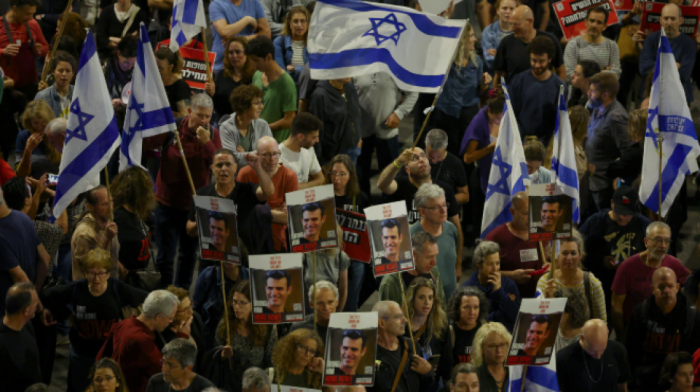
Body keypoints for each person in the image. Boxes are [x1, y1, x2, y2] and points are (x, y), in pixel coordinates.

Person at [143, 93, 222, 288]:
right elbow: (147, 143)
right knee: (165, 257)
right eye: (200, 115)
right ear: (189, 111)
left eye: (207, 117)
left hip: (193, 207)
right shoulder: (173, 129)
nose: (204, 121)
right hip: (166, 203)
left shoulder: (212, 134)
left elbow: (220, 165)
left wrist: (206, 143)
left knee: (188, 257)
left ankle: (181, 298)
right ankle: (163, 295)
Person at [42, 248, 147, 392]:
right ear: (85, 272)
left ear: (108, 273)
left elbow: (147, 297)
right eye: (92, 273)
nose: (96, 279)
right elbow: (48, 295)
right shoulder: (77, 289)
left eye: (101, 273)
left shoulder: (116, 288)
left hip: (108, 356)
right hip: (81, 355)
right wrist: (63, 314)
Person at [377, 147, 462, 261]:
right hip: (405, 255)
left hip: (435, 255)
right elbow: (382, 185)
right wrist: (398, 162)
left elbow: (456, 229)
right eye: (414, 158)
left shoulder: (444, 190)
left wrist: (458, 262)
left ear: (430, 164)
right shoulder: (401, 184)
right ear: (407, 170)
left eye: (423, 156)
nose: (421, 160)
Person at [186, 148, 274, 256]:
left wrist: (258, 168)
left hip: (241, 258)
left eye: (228, 164)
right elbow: (190, 231)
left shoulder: (247, 190)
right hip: (212, 259)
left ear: (236, 167)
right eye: (219, 165)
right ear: (212, 168)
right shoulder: (201, 194)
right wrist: (197, 224)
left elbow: (268, 192)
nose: (224, 169)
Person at [611, 221, 690, 341]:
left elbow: (692, 281)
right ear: (646, 242)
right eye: (658, 240)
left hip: (664, 332)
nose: (663, 245)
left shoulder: (673, 264)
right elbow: (616, 305)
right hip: (634, 330)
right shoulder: (627, 267)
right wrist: (621, 335)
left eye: (667, 241)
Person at [580, 185, 652, 314]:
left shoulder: (644, 225)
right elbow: (581, 255)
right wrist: (602, 261)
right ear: (612, 203)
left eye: (627, 214)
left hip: (633, 285)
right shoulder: (596, 222)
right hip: (604, 284)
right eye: (620, 212)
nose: (623, 217)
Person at [626, 268, 700, 392]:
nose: (666, 291)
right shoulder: (641, 312)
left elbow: (696, 357)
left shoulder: (692, 316)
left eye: (670, 286)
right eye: (661, 287)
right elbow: (630, 350)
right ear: (652, 289)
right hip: (646, 382)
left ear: (677, 287)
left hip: (678, 383)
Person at [422, 24, 490, 156]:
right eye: (471, 36)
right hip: (446, 114)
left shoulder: (476, 61)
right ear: (461, 40)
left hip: (469, 116)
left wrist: (483, 85)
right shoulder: (445, 61)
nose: (475, 39)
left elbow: (479, 92)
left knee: (465, 154)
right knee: (446, 154)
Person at [96, 290, 182, 392]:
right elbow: (168, 373)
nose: (170, 322)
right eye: (170, 318)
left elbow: (100, 359)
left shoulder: (121, 325)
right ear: (158, 316)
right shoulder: (142, 341)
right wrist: (182, 336)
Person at [355, 70, 418, 196]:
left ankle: (390, 209)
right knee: (359, 176)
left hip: (387, 132)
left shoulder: (395, 66)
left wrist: (399, 113)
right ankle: (362, 209)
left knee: (391, 176)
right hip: (360, 131)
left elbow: (414, 92)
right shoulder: (359, 63)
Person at [237, 136, 298, 252]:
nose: (272, 159)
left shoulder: (290, 176)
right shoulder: (245, 173)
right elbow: (239, 213)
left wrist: (256, 211)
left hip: (277, 242)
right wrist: (275, 213)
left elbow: (290, 218)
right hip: (249, 241)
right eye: (266, 155)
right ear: (257, 155)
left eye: (276, 154)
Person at [326, 154, 370, 311]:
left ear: (350, 175)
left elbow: (367, 230)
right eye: (333, 173)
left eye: (342, 174)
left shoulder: (360, 198)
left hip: (353, 260)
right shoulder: (322, 197)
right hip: (327, 258)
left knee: (350, 304)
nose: (337, 178)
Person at [214, 280, 275, 391]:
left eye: (242, 303)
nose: (236, 307)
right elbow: (214, 358)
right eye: (234, 302)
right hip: (230, 384)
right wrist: (223, 356)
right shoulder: (225, 325)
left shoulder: (268, 327)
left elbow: (271, 361)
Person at [585, 72, 633, 213]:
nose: (588, 93)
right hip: (592, 182)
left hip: (604, 186)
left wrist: (618, 178)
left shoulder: (616, 117)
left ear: (605, 95)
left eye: (593, 91)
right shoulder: (596, 109)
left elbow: (628, 152)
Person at [537, 230, 607, 321]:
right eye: (564, 253)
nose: (569, 258)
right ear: (556, 255)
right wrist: (548, 298)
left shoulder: (592, 283)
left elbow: (601, 322)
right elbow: (538, 320)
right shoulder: (545, 281)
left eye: (573, 253)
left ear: (580, 255)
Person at [0, 188, 50, 316]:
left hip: (9, 311)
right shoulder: (24, 218)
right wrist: (35, 290)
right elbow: (45, 258)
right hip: (26, 306)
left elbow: (19, 277)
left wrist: (37, 306)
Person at [484, 192, 544, 298]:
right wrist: (511, 276)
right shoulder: (496, 237)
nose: (530, 218)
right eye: (525, 213)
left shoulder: (541, 233)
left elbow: (549, 261)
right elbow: (482, 273)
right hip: (507, 298)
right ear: (512, 212)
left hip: (536, 299)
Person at [462, 90, 505, 239]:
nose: (499, 121)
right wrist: (489, 148)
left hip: (500, 173)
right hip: (481, 175)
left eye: (501, 117)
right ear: (489, 111)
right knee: (480, 215)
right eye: (497, 118)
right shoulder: (478, 125)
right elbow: (468, 158)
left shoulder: (503, 116)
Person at [510, 36, 567, 145]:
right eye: (533, 60)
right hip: (520, 142)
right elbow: (512, 114)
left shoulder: (560, 86)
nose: (537, 65)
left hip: (547, 145)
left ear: (550, 59)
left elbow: (559, 121)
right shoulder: (518, 81)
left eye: (541, 61)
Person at [370, 301, 435, 392]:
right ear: (382, 323)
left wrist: (428, 373)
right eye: (397, 317)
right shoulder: (368, 355)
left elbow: (425, 388)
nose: (405, 320)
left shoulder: (412, 347)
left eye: (403, 316)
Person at [637, 3, 696, 104]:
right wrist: (673, 66)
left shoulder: (689, 43)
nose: (669, 22)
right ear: (660, 20)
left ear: (681, 20)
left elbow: (684, 75)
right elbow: (644, 69)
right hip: (651, 94)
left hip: (679, 97)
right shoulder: (651, 39)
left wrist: (657, 67)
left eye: (673, 19)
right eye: (666, 18)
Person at [410, 184, 460, 299]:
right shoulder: (410, 235)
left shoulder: (450, 228)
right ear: (422, 212)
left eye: (444, 205)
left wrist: (458, 267)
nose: (443, 210)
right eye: (436, 207)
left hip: (450, 298)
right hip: (424, 302)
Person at [494, 5, 564, 85]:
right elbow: (499, 76)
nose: (512, 28)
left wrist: (558, 92)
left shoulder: (550, 40)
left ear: (530, 21)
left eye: (516, 24)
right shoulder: (506, 43)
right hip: (515, 95)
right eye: (511, 24)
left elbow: (561, 71)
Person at [556, 319, 631, 392]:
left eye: (602, 350)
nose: (598, 356)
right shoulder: (563, 359)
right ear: (582, 338)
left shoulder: (618, 351)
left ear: (607, 334)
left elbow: (622, 385)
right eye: (593, 351)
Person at [462, 241, 520, 331]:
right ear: (478, 264)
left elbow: (516, 317)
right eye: (490, 264)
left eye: (497, 263)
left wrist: (499, 292)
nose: (495, 268)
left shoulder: (508, 285)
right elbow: (472, 322)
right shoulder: (467, 289)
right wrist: (502, 310)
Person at [248, 36, 297, 143]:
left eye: (256, 60)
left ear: (268, 57)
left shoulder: (287, 84)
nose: (252, 64)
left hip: (276, 144)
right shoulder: (257, 75)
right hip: (256, 141)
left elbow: (289, 119)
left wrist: (264, 128)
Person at [379, 232, 446, 309]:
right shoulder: (391, 283)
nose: (434, 263)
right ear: (414, 254)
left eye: (435, 256)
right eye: (429, 257)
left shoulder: (433, 271)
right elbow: (385, 317)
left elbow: (441, 306)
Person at [406, 277, 452, 388]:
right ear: (412, 299)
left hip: (433, 385)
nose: (427, 302)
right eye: (421, 297)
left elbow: (447, 360)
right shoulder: (401, 326)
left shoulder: (441, 326)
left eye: (430, 297)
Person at [193, 259, 248, 350]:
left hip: (243, 337)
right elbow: (195, 311)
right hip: (211, 338)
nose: (228, 257)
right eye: (224, 251)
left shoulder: (250, 275)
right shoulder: (208, 276)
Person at [71, 185, 122, 280]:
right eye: (104, 204)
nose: (110, 208)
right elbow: (95, 267)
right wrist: (107, 239)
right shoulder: (84, 234)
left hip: (111, 283)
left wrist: (122, 269)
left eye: (111, 202)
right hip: (92, 289)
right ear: (90, 206)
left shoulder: (107, 221)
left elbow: (112, 254)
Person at [110, 167, 155, 276]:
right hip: (125, 279)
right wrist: (122, 270)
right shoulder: (118, 217)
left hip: (141, 275)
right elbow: (107, 249)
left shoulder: (140, 212)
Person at [0, 0, 48, 100]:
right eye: (27, 14)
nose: (31, 17)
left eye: (33, 14)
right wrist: (3, 51)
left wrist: (39, 50)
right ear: (15, 9)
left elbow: (45, 48)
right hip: (5, 86)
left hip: (29, 84)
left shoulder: (33, 24)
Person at [309, 77, 362, 166]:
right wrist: (320, 162)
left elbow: (356, 114)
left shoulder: (350, 88)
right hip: (332, 156)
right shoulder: (319, 95)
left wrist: (358, 138)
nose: (349, 72)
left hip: (353, 149)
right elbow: (316, 131)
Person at [0, 282, 42, 392]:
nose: (37, 304)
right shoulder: (2, 344)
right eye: (35, 302)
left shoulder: (27, 325)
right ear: (26, 310)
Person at [209, 0, 271, 74]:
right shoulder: (216, 4)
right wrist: (247, 20)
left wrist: (240, 41)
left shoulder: (254, 2)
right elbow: (225, 32)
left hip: (249, 65)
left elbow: (266, 34)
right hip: (222, 66)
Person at [563, 6, 621, 81]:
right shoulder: (573, 44)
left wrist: (581, 74)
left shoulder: (612, 46)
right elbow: (569, 75)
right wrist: (601, 74)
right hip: (577, 91)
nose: (594, 25)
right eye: (592, 21)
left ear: (604, 27)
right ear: (586, 22)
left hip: (602, 91)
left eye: (599, 22)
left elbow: (616, 74)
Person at [220, 85, 271, 166]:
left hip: (259, 174)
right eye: (257, 103)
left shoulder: (263, 125)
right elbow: (231, 160)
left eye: (261, 102)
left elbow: (270, 153)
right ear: (244, 106)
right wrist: (256, 155)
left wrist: (246, 154)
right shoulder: (226, 128)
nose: (261, 106)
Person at [301, 229, 349, 311]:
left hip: (330, 309)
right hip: (309, 308)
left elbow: (343, 290)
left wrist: (337, 313)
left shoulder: (341, 256)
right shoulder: (304, 255)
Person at [147, 339, 215, 392]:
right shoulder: (155, 382)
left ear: (188, 368)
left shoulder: (206, 389)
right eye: (163, 362)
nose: (163, 369)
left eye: (170, 365)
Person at [14, 99, 59, 178]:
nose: (40, 127)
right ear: (29, 122)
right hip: (35, 184)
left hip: (57, 182)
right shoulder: (23, 136)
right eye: (35, 123)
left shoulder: (57, 133)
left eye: (43, 121)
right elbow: (20, 174)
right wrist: (28, 150)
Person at [424, 129, 469, 206]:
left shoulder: (455, 164)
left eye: (439, 157)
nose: (434, 161)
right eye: (430, 156)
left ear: (446, 146)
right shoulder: (417, 159)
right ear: (425, 144)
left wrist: (443, 201)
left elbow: (465, 196)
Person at [213, 37, 255, 119]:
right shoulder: (221, 75)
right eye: (231, 52)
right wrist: (211, 94)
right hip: (223, 123)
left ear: (247, 54)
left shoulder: (254, 77)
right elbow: (215, 105)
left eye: (238, 52)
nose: (234, 56)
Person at [280, 112, 323, 188]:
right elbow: (285, 190)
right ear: (301, 137)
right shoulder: (278, 156)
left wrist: (300, 187)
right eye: (313, 137)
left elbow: (321, 179)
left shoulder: (309, 149)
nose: (317, 140)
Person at [448, 286, 488, 364]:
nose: (472, 312)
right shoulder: (450, 332)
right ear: (457, 309)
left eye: (476, 307)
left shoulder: (485, 330)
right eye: (466, 307)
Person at [470, 322, 512, 392]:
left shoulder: (515, 374)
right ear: (481, 348)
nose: (499, 350)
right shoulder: (474, 376)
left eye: (502, 344)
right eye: (492, 346)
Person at [273, 6, 309, 83]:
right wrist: (305, 71)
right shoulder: (279, 42)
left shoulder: (314, 42)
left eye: (303, 21)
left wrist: (295, 69)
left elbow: (316, 71)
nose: (299, 25)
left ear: (308, 23)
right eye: (295, 21)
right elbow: (281, 74)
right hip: (288, 85)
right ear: (289, 23)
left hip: (309, 86)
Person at [35, 50, 75, 118]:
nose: (64, 74)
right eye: (60, 70)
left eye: (68, 71)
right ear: (53, 72)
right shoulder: (43, 97)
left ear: (72, 73)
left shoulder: (79, 94)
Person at [155, 47, 192, 118]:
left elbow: (186, 115)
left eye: (161, 68)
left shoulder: (181, 86)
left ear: (170, 67)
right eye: (154, 66)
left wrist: (163, 112)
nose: (156, 70)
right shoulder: (152, 79)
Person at [481, 0, 517, 72]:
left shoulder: (520, 31)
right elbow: (490, 62)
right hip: (494, 76)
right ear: (498, 10)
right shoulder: (488, 32)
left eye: (511, 9)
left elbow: (522, 59)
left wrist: (498, 54)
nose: (508, 12)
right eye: (504, 8)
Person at [553, 287, 590, 352]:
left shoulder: (588, 338)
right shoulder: (550, 334)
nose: (553, 314)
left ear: (573, 313)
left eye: (559, 311)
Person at [103, 35, 137, 105]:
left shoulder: (139, 71)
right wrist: (108, 104)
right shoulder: (105, 70)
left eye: (133, 64)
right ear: (119, 53)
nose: (129, 67)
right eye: (126, 63)